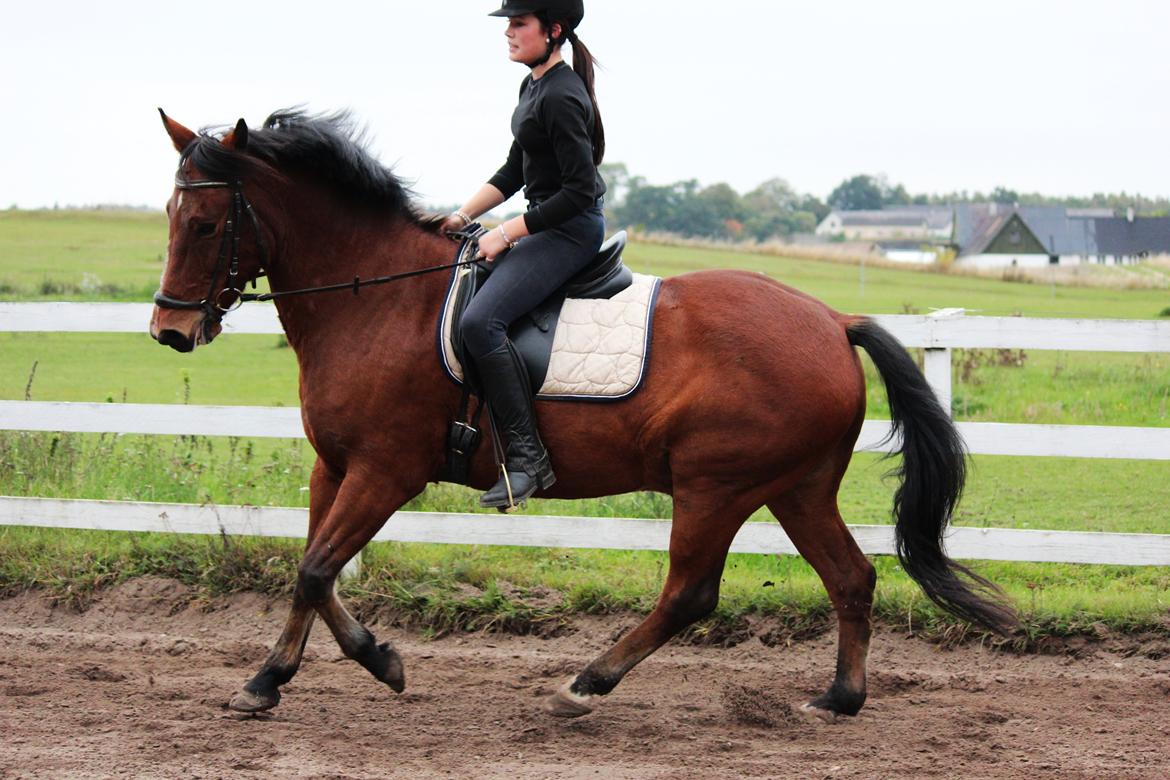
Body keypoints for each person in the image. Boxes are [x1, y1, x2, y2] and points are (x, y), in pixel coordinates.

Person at [442, 0, 607, 509]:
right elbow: (516, 169)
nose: (508, 33)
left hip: (569, 231)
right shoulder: (533, 85)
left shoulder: (561, 95)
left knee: (480, 323)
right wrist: (460, 216)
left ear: (553, 31)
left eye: (519, 24)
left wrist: (508, 232)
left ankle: (528, 458)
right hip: (546, 225)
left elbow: (581, 191)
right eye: (508, 25)